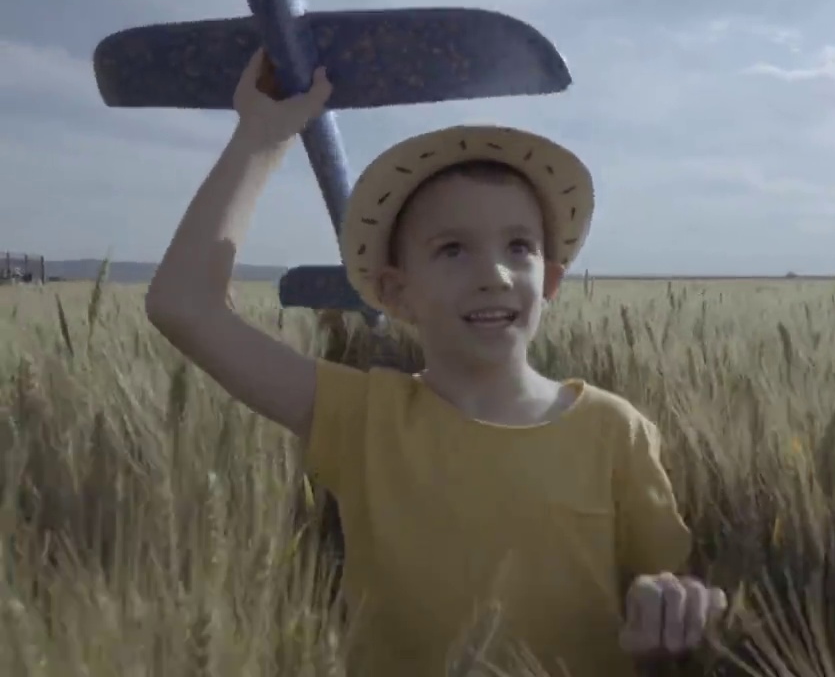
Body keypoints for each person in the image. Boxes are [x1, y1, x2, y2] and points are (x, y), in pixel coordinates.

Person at [145, 49, 727, 676]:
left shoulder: (617, 431)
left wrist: (673, 621)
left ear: (551, 279)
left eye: (520, 247)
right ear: (398, 293)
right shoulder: (364, 418)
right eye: (452, 250)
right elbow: (183, 306)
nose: (495, 274)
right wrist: (260, 137)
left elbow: (678, 603)